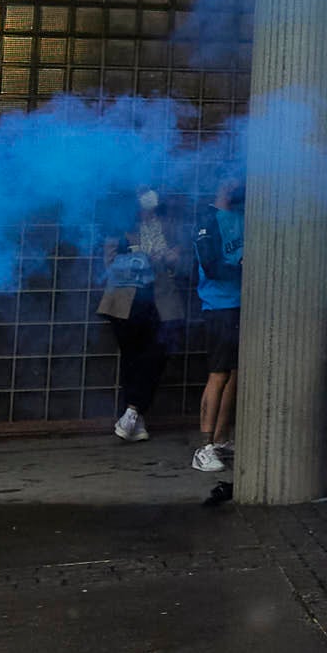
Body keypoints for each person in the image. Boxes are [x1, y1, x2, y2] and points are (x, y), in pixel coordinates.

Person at [99, 189, 183, 442]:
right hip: (126, 301)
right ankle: (136, 419)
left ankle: (132, 411)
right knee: (132, 359)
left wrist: (172, 258)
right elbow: (110, 263)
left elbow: (181, 262)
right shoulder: (120, 227)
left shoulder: (168, 226)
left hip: (161, 300)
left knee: (157, 354)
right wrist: (143, 258)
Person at [191, 179, 245, 475]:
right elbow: (211, 266)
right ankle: (204, 445)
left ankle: (221, 439)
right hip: (218, 306)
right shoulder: (208, 221)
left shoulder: (244, 216)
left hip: (241, 304)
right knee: (219, 373)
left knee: (235, 373)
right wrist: (242, 267)